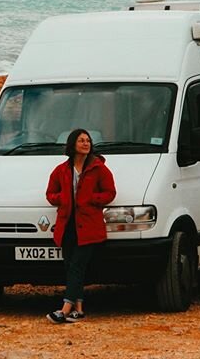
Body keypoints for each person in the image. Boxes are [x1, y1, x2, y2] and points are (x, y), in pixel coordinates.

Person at [45, 128, 116, 323]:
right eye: (81, 141)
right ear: (72, 145)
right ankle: (79, 310)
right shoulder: (61, 170)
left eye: (88, 141)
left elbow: (110, 192)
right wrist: (63, 198)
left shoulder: (98, 168)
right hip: (67, 225)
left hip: (89, 226)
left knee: (77, 266)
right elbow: (50, 194)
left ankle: (64, 310)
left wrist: (92, 199)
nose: (86, 144)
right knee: (71, 267)